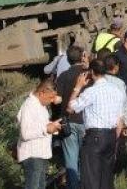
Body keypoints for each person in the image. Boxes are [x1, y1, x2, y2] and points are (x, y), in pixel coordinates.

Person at [68, 59, 127, 189]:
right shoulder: (117, 91)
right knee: (106, 178)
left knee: (91, 178)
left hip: (94, 137)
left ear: (92, 72)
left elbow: (71, 108)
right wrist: (115, 139)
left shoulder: (91, 91)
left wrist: (78, 87)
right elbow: (120, 120)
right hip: (111, 135)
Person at [17, 80, 63, 189]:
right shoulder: (29, 106)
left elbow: (40, 125)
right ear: (42, 93)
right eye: (50, 97)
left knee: (41, 186)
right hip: (33, 155)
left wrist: (53, 127)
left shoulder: (40, 105)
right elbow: (25, 133)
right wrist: (46, 129)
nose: (52, 101)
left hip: (41, 153)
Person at [55, 46, 88, 189]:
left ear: (67, 59)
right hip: (86, 122)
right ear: (82, 57)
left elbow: (58, 100)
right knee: (85, 159)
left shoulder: (63, 76)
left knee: (70, 160)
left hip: (68, 122)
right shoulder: (89, 75)